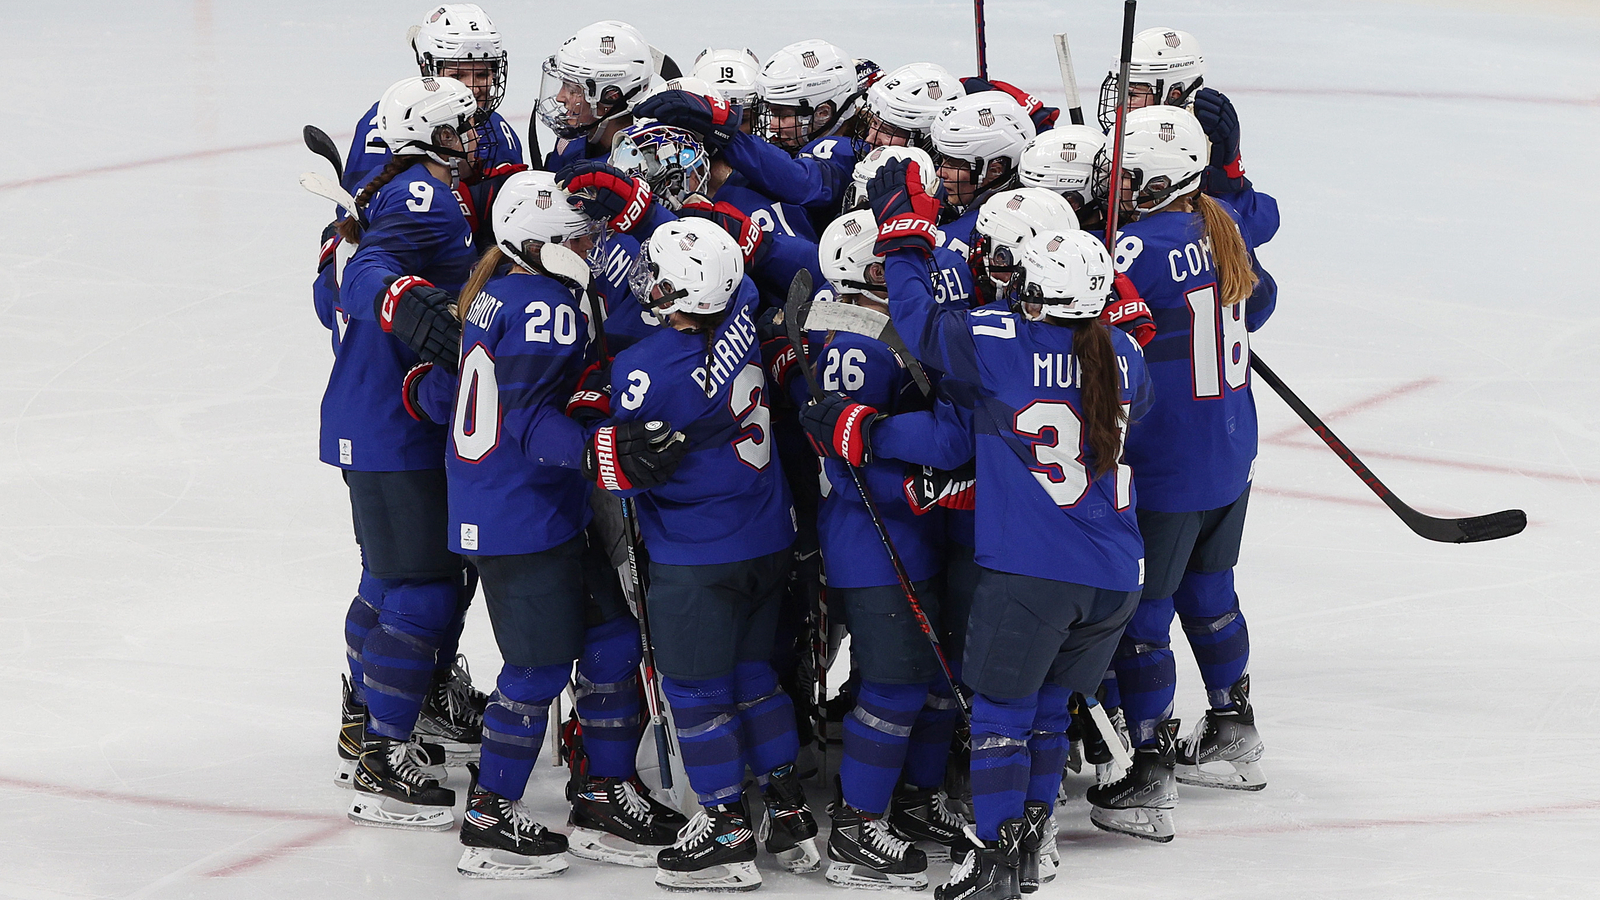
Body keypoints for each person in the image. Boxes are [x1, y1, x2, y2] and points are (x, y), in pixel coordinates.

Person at [803, 155, 1151, 900]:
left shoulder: (1001, 342)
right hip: (1116, 575)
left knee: (999, 713)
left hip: (1035, 573)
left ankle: (992, 861)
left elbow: (924, 324)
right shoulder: (1123, 355)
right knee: (1050, 709)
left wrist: (902, 242)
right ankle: (1035, 844)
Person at [401, 171, 685, 876]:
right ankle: (491, 813)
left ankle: (601, 791)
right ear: (540, 240)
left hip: (523, 507)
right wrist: (600, 449)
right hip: (518, 515)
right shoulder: (541, 305)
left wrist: (587, 398)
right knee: (537, 667)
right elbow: (528, 422)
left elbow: (462, 395)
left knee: (614, 642)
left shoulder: (505, 290)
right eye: (577, 233)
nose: (589, 244)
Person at [582, 217, 814, 891]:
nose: (649, 283)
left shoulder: (646, 370)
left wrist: (591, 405)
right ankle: (788, 806)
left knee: (696, 694)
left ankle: (724, 829)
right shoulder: (739, 307)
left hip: (696, 559)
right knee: (753, 680)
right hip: (769, 540)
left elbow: (616, 468)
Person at [1087, 105, 1276, 843]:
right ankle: (1235, 726)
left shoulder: (1133, 249)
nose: (1116, 180)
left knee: (1144, 618)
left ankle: (1149, 774)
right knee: (1211, 589)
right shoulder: (1219, 222)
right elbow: (1262, 305)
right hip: (1229, 448)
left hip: (1166, 462)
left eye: (1128, 171)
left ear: (1160, 176)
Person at [794, 211, 969, 890]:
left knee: (927, 680)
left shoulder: (882, 331)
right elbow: (848, 461)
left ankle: (914, 803)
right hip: (871, 540)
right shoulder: (856, 343)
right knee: (894, 687)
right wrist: (928, 471)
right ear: (868, 272)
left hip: (906, 537)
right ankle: (857, 827)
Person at [325, 75, 480, 831]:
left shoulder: (404, 186)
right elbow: (361, 280)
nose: (474, 138)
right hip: (395, 420)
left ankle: (365, 716)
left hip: (371, 412)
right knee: (423, 588)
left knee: (391, 581)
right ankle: (384, 757)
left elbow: (339, 281)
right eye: (462, 127)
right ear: (428, 135)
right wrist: (398, 299)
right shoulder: (423, 194)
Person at [1094, 27, 1279, 247]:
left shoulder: (1198, 144)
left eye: (1132, 94)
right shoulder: (1122, 137)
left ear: (1173, 93)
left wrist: (1227, 173)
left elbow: (1256, 224)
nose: (1120, 104)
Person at [343, 4, 523, 195]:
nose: (473, 89)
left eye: (482, 74)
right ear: (428, 70)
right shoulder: (386, 122)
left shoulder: (498, 129)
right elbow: (357, 207)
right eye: (457, 76)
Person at [537, 20, 656, 172]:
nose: (560, 97)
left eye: (573, 90)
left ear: (611, 96)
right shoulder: (574, 138)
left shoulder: (643, 167)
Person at [929, 92, 1037, 258]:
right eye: (942, 159)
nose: (940, 172)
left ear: (995, 170)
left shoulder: (965, 237)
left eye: (954, 163)